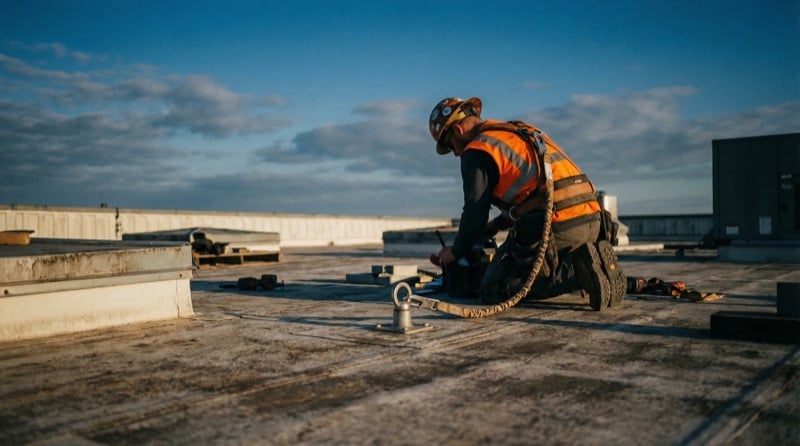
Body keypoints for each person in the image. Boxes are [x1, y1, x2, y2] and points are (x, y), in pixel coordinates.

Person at [428, 97, 625, 311]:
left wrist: (455, 251)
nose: (456, 153)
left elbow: (475, 212)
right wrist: (495, 226)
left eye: (450, 146)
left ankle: (579, 272)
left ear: (457, 130)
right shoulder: (517, 131)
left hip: (558, 226)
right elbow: (535, 195)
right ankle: (594, 263)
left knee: (492, 288)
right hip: (594, 221)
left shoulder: (477, 150)